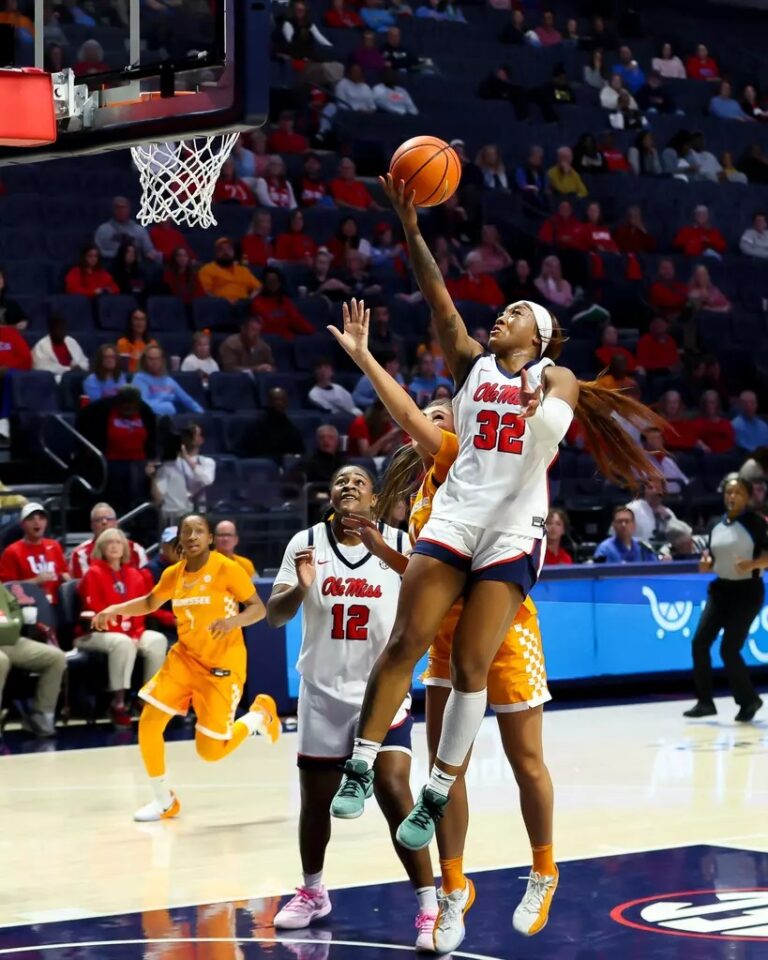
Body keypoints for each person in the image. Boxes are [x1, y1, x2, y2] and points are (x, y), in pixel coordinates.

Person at [327, 174, 666, 935]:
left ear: (538, 341)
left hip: (510, 546)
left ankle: (536, 864)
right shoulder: (458, 406)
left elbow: (551, 427)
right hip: (458, 532)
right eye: (504, 309)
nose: (500, 314)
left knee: (521, 755)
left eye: (518, 312)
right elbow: (434, 302)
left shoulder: (552, 377)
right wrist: (410, 225)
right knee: (409, 643)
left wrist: (550, 395)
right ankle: (441, 873)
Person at [267, 464, 438, 948]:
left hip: (381, 692)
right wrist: (300, 588)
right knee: (315, 803)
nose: (348, 485)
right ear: (329, 493)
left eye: (358, 481)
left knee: (393, 790)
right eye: (340, 480)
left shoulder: (401, 543)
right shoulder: (307, 542)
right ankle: (314, 891)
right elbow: (275, 616)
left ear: (375, 497)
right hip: (322, 692)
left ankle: (430, 905)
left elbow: (430, 602)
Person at [91, 513, 279, 820]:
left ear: (209, 539)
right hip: (185, 659)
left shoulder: (227, 569)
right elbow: (151, 603)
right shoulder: (173, 574)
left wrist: (232, 621)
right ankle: (164, 800)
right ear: (179, 539)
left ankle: (260, 715)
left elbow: (259, 608)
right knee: (150, 721)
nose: (191, 536)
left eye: (198, 531)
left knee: (210, 752)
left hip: (222, 665)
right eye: (186, 531)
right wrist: (115, 608)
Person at [683, 475, 766, 722]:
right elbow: (711, 557)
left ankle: (749, 700)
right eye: (729, 492)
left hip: (747, 593)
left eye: (738, 492)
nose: (732, 497)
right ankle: (705, 702)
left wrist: (752, 563)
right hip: (720, 591)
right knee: (699, 643)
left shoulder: (755, 523)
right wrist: (706, 564)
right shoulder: (715, 524)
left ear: (747, 497)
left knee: (729, 649)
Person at [75, 529, 167, 727]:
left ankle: (146, 700)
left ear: (125, 547)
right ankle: (118, 703)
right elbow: (97, 611)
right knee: (123, 643)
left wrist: (135, 633)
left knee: (157, 640)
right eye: (109, 543)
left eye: (118, 542)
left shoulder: (135, 574)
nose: (114, 546)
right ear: (101, 548)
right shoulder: (93, 573)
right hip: (95, 633)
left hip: (131, 631)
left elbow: (142, 608)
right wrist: (126, 634)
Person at [0, 580, 66, 738]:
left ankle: (41, 716)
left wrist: (13, 624)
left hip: (10, 640)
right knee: (1, 661)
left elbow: (15, 611)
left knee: (55, 657)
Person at [0, 502, 70, 605]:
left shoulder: (54, 546)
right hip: (28, 606)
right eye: (31, 519)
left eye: (41, 518)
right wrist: (36, 581)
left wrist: (69, 579)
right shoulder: (12, 551)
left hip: (56, 605)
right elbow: (7, 587)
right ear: (23, 524)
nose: (37, 522)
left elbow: (63, 572)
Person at [149, 423, 216, 525]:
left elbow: (206, 481)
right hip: (175, 516)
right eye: (187, 435)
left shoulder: (207, 462)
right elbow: (159, 497)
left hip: (198, 514)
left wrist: (186, 458)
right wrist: (153, 475)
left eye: (193, 434)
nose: (189, 438)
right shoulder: (169, 465)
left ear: (201, 439)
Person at [69, 501, 148, 578]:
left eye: (109, 519)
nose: (104, 522)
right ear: (92, 526)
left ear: (116, 523)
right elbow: (85, 586)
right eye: (98, 520)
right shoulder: (81, 554)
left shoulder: (136, 550)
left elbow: (144, 583)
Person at [132, 345, 204, 417]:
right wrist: (168, 407)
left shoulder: (169, 381)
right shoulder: (139, 378)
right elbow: (143, 405)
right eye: (151, 359)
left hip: (170, 419)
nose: (154, 362)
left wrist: (202, 414)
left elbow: (187, 400)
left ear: (162, 360)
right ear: (144, 361)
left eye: (157, 359)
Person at [250, 268, 315, 340]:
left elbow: (297, 320)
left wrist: (311, 331)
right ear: (264, 283)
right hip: (269, 342)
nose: (273, 284)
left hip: (287, 341)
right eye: (269, 281)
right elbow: (262, 329)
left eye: (275, 281)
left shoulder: (284, 301)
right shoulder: (256, 303)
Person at [94, 196, 160, 262]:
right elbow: (96, 252)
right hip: (110, 265)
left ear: (129, 209)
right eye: (117, 207)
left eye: (123, 207)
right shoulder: (103, 230)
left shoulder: (139, 230)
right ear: (113, 209)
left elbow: (149, 251)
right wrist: (119, 255)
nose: (121, 210)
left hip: (135, 267)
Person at [198, 238, 261, 303]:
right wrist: (218, 302)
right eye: (221, 249)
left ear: (233, 252)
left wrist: (249, 300)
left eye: (229, 249)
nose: (225, 252)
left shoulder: (243, 270)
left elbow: (258, 287)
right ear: (216, 253)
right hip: (221, 305)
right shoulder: (207, 270)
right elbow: (206, 292)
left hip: (242, 306)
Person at [251, 387, 305, 462]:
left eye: (282, 400)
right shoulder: (256, 425)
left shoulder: (291, 428)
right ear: (269, 402)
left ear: (287, 403)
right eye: (276, 399)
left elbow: (300, 452)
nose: (279, 403)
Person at [31, 315, 89, 382]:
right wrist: (69, 369)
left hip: (75, 377)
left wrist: (79, 367)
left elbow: (83, 361)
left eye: (62, 329)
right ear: (51, 330)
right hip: (53, 381)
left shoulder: (71, 341)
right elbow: (41, 367)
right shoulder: (42, 345)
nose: (60, 332)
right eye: (57, 329)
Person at [593, 506, 658, 563]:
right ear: (613, 525)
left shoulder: (642, 546)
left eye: (627, 521)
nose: (623, 525)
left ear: (634, 525)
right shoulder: (605, 549)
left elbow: (655, 568)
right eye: (619, 521)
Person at [117, 309, 157, 375]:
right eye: (136, 319)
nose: (139, 323)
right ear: (130, 322)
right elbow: (123, 369)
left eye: (142, 319)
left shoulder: (152, 344)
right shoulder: (122, 343)